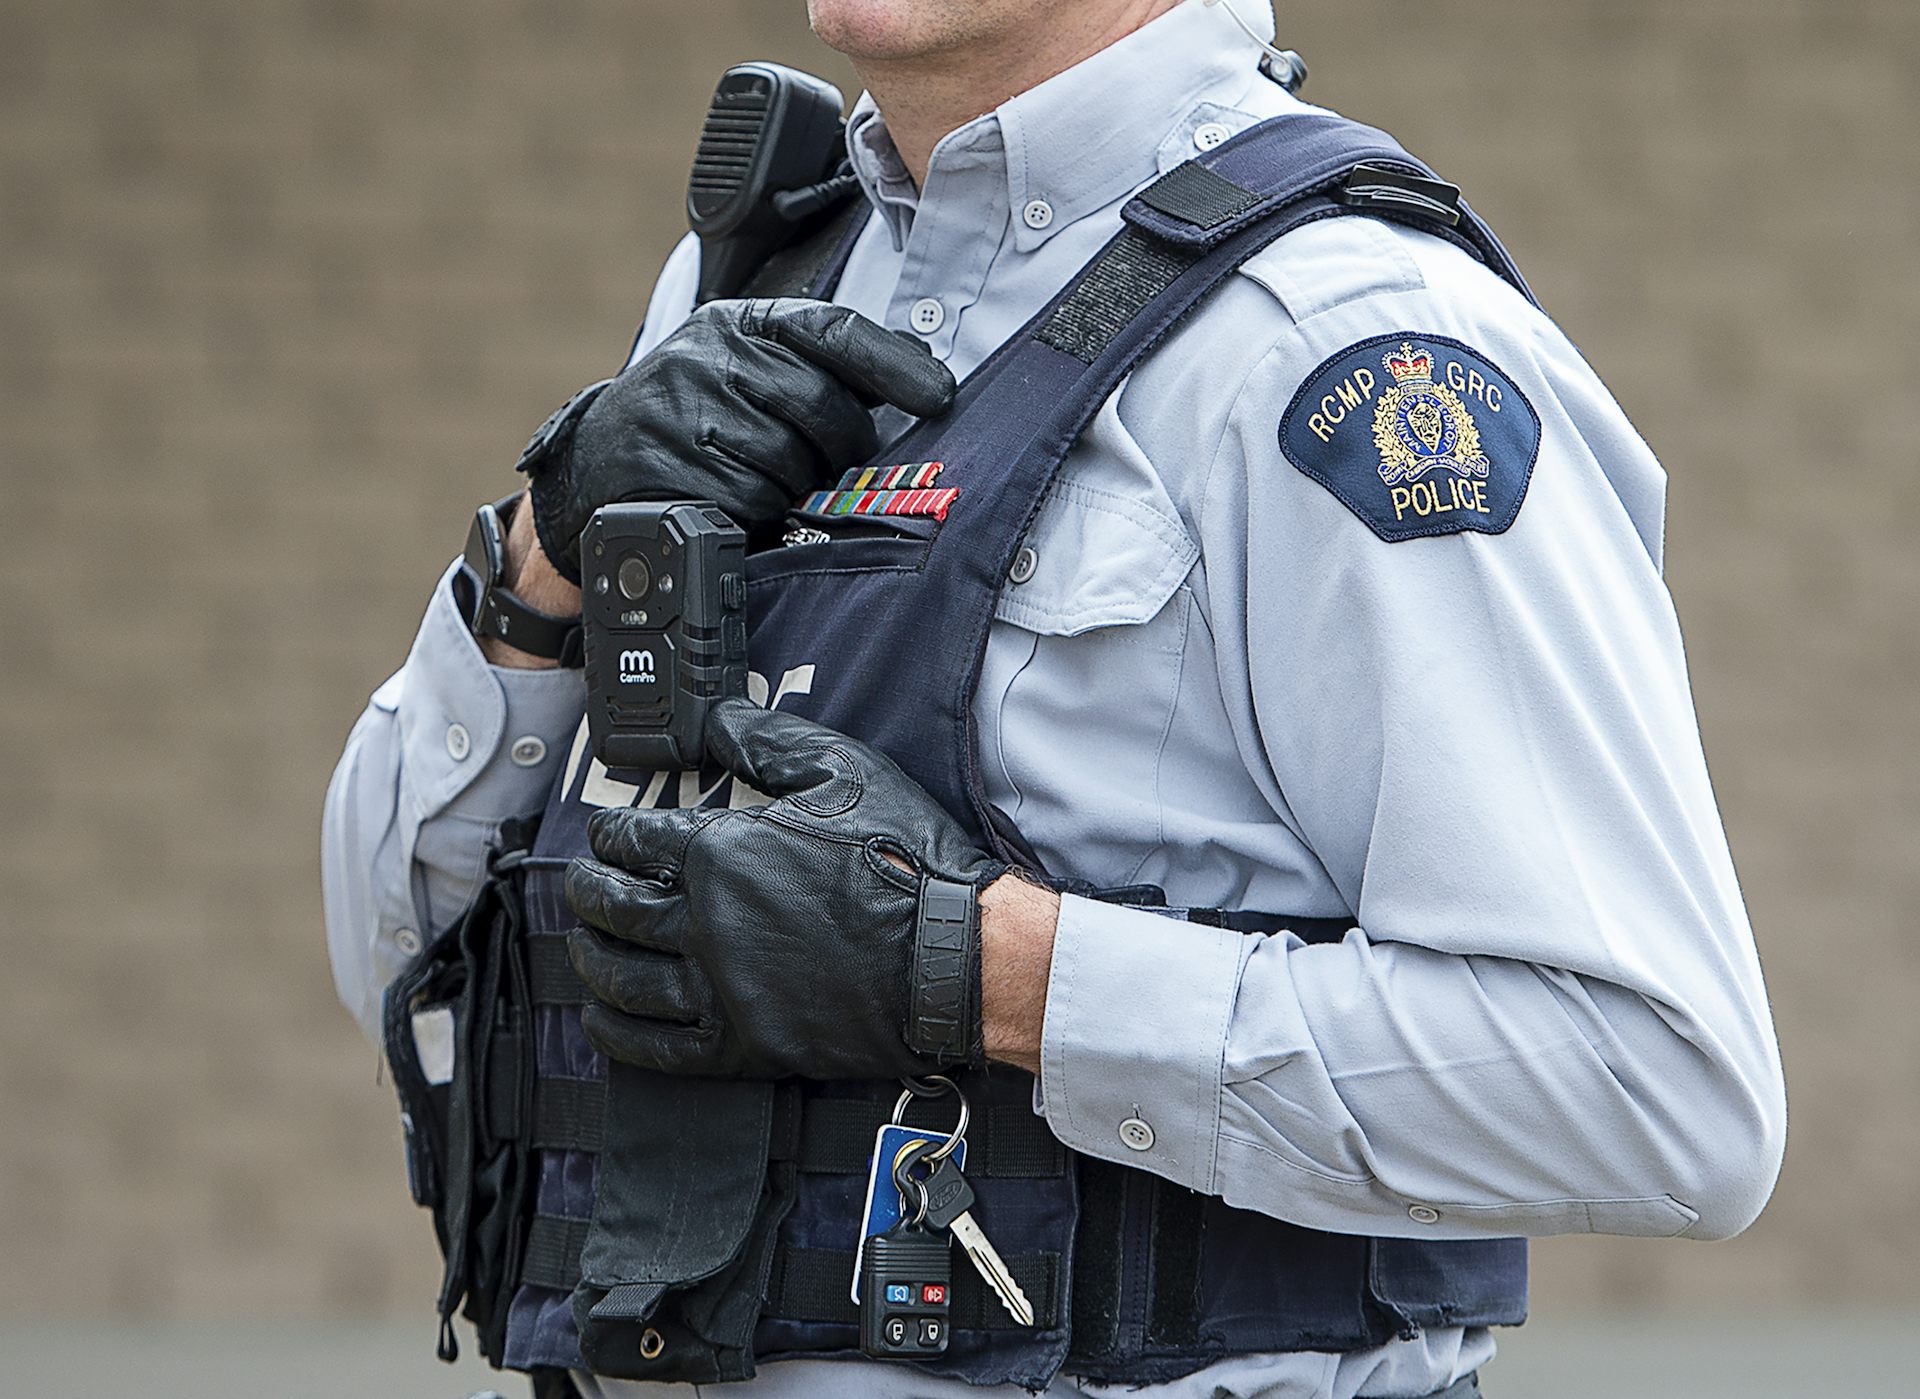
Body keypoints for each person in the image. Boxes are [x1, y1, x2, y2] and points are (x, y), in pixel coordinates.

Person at [322, 2, 1787, 1396]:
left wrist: (984, 970)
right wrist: (550, 545)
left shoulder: (1340, 339)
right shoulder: (749, 277)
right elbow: (401, 952)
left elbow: (1656, 1091)